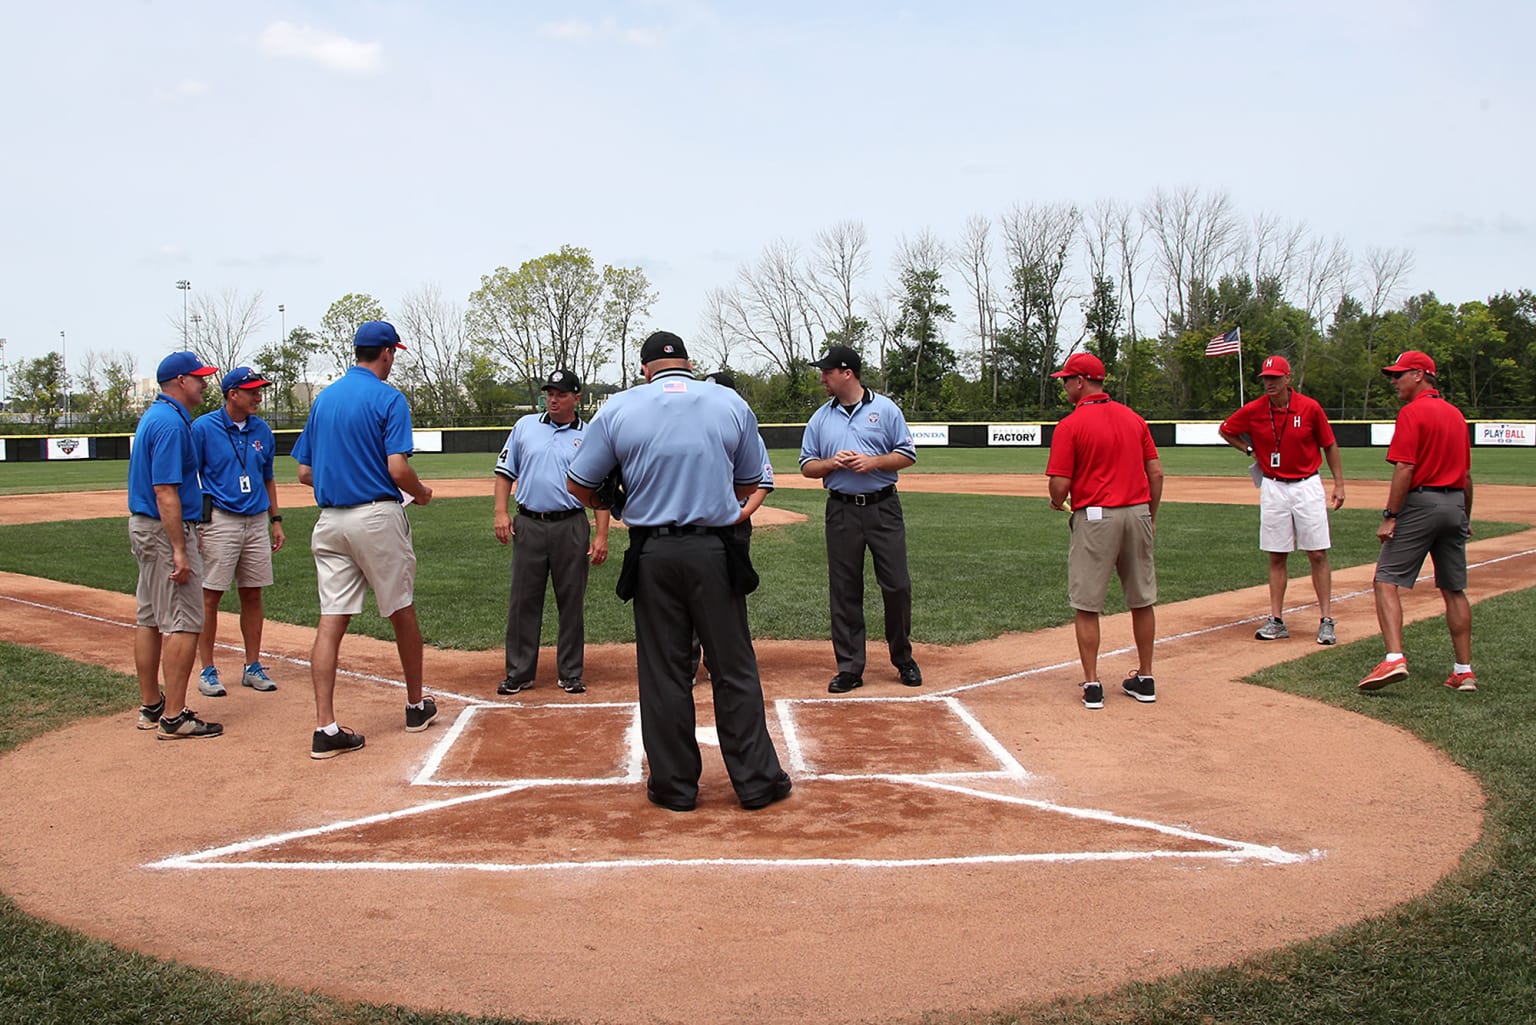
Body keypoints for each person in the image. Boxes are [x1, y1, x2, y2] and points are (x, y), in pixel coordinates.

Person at [567, 330, 791, 812]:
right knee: (733, 668)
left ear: (645, 367)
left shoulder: (620, 407)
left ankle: (674, 787)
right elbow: (751, 480)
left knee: (665, 673)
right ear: (688, 363)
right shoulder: (728, 401)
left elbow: (577, 484)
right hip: (715, 550)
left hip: (654, 554)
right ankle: (756, 784)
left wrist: (614, 502)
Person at [291, 321, 439, 759]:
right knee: (400, 610)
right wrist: (421, 492)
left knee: (331, 619)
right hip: (376, 516)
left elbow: (303, 472)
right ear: (387, 354)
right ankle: (415, 705)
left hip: (330, 521)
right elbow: (397, 469)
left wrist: (343, 474)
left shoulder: (325, 399)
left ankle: (325, 727)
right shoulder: (388, 397)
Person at [798, 344, 922, 694]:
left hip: (883, 508)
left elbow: (907, 454)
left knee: (897, 585)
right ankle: (850, 667)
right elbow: (807, 466)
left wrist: (873, 462)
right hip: (841, 510)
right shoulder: (821, 417)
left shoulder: (885, 409)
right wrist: (831, 463)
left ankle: (903, 658)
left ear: (847, 373)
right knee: (845, 589)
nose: (822, 378)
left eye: (827, 372)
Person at [1044, 352, 1164, 710]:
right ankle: (1145, 677)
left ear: (1081, 381)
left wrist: (1057, 500)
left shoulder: (1071, 425)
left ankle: (1093, 684)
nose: (1064, 385)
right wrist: (1150, 516)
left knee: (1087, 604)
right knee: (1142, 600)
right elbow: (1156, 473)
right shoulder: (1134, 419)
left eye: (1067, 379)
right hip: (1138, 512)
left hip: (1096, 517)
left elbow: (1059, 486)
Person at [1359, 350, 1476, 693]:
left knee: (1385, 579)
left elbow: (1405, 468)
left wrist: (1390, 516)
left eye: (1399, 375)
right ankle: (1464, 671)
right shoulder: (1456, 415)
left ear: (1419, 375)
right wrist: (1465, 516)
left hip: (1422, 503)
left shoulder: (1412, 413)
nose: (1393, 382)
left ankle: (1394, 657)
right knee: (1454, 588)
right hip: (1455, 502)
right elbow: (1467, 476)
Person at [492, 368, 610, 696]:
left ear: (576, 398)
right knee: (522, 601)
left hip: (571, 525)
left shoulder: (590, 436)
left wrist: (602, 535)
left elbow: (600, 491)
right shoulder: (525, 426)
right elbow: (504, 474)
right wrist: (501, 512)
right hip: (528, 523)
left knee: (571, 601)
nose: (553, 399)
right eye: (549, 393)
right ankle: (519, 673)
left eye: (560, 394)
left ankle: (570, 673)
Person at [127, 350, 223, 740]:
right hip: (163, 530)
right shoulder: (169, 423)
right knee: (184, 622)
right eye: (199, 378)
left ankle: (152, 706)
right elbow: (165, 490)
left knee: (149, 617)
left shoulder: (156, 417)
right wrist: (180, 548)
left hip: (145, 526)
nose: (204, 383)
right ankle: (174, 716)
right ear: (180, 381)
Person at [1218, 354, 1346, 645]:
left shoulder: (1309, 408)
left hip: (1307, 484)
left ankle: (1326, 619)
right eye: (1265, 378)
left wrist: (1339, 483)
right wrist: (1250, 451)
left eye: (1275, 378)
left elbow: (1329, 444)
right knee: (1277, 554)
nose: (1269, 383)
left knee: (1317, 553)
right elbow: (1225, 430)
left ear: (1288, 378)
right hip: (1274, 485)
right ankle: (1276, 619)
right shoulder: (1255, 410)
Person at [190, 367, 286, 697]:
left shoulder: (263, 430)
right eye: (253, 391)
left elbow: (268, 478)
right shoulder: (203, 428)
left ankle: (253, 665)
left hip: (256, 520)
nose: (259, 396)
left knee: (253, 593)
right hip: (220, 520)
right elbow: (192, 478)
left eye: (260, 390)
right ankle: (207, 669)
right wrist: (200, 523)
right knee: (210, 596)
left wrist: (276, 520)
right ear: (233, 394)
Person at [689, 370, 774, 684]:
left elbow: (762, 482)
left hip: (732, 526)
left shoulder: (744, 428)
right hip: (698, 526)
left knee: (728, 595)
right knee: (689, 595)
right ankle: (687, 664)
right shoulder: (693, 431)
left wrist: (741, 514)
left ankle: (720, 661)